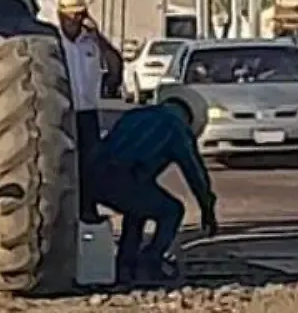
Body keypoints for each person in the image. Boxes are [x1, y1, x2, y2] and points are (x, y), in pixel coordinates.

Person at [90, 100, 218, 286]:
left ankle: (126, 264)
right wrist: (207, 209)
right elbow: (195, 173)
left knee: (137, 209)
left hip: (95, 174)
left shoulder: (134, 115)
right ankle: (151, 260)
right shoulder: (177, 129)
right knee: (172, 210)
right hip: (125, 176)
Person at [56, 0, 122, 224]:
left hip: (88, 113)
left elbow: (115, 65)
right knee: (65, 165)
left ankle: (88, 209)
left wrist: (98, 37)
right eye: (71, 14)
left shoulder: (91, 44)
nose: (75, 19)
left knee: (91, 165)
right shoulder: (54, 42)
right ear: (60, 15)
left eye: (80, 14)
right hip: (64, 111)